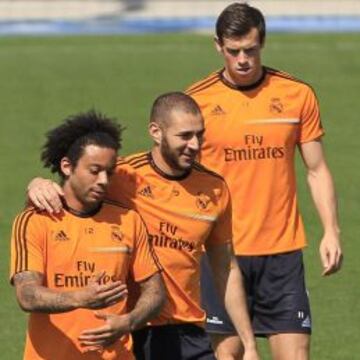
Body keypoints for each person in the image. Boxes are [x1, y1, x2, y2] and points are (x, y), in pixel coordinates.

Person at [27, 92, 260, 360]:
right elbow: (70, 196)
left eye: (199, 134)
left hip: (189, 327)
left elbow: (225, 269)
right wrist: (37, 185)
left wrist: (249, 344)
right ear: (156, 132)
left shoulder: (215, 189)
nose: (195, 145)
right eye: (184, 136)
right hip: (133, 329)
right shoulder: (122, 176)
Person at [186, 3, 343, 360]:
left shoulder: (296, 95)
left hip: (282, 253)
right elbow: (181, 180)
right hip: (222, 255)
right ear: (218, 46)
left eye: (250, 50)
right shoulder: (197, 101)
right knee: (230, 355)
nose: (242, 59)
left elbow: (316, 169)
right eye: (233, 51)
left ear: (263, 43)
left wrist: (331, 230)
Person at [10, 110, 165, 360]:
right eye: (94, 170)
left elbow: (155, 292)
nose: (104, 180)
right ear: (67, 166)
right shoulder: (35, 221)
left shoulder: (129, 220)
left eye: (109, 171)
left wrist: (128, 321)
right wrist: (81, 297)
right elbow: (27, 295)